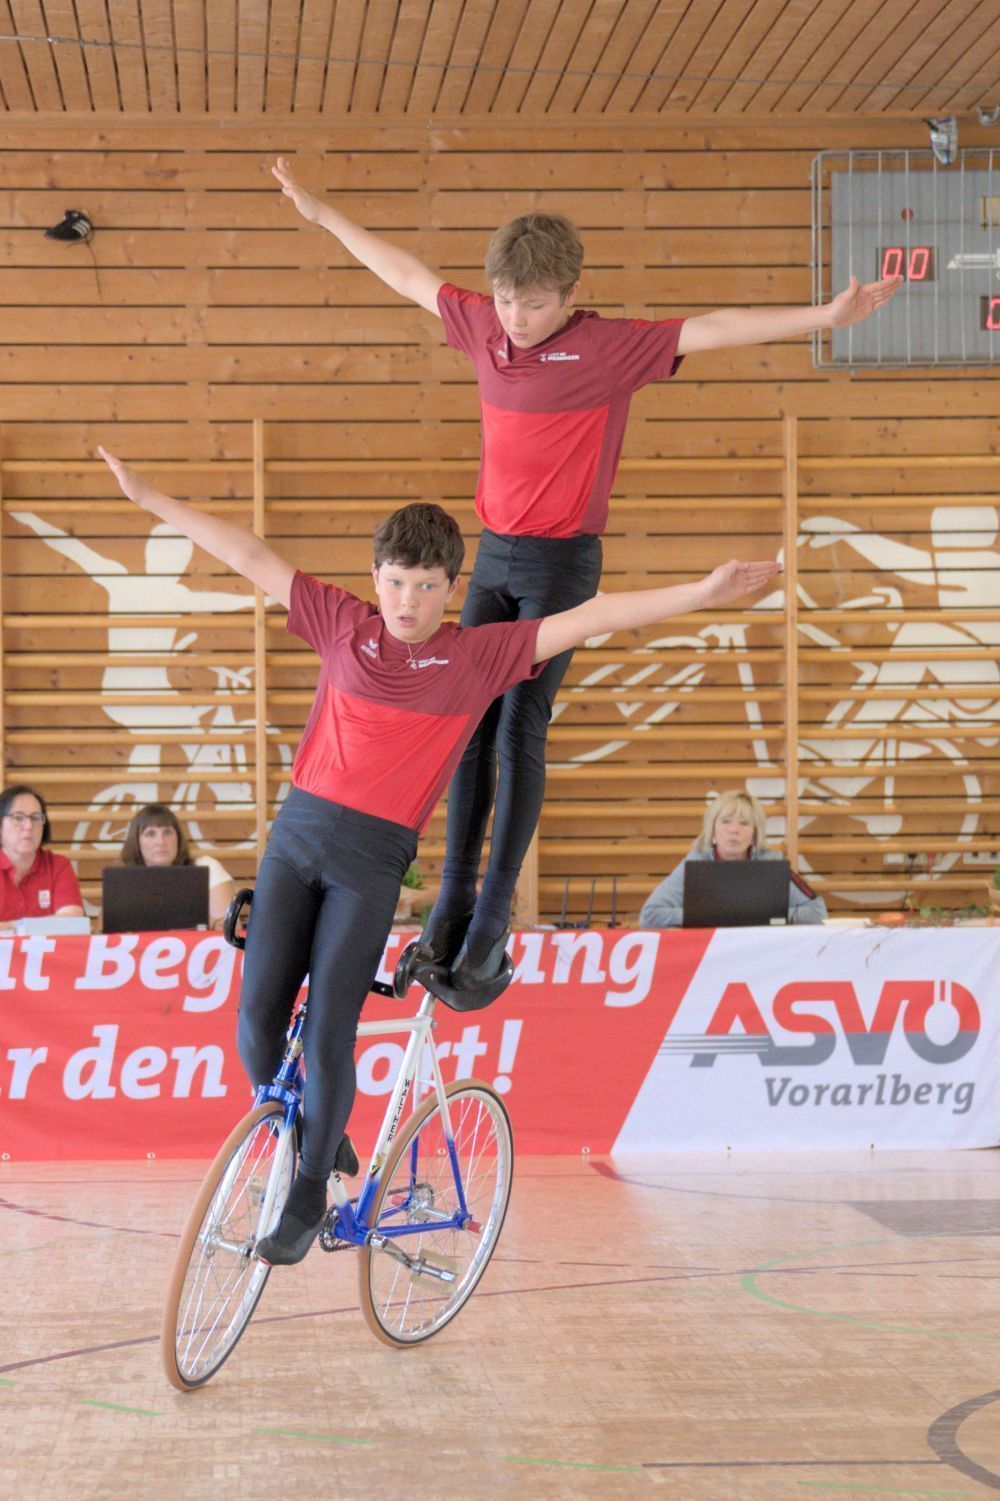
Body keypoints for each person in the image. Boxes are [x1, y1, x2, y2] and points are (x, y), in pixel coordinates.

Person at [98, 443, 778, 1266]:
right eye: (394, 581)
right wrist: (147, 493)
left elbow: (593, 617)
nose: (407, 599)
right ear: (374, 575)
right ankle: (327, 1142)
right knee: (254, 1026)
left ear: (453, 588)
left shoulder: (473, 657)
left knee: (328, 1041)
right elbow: (246, 552)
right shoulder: (343, 624)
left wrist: (704, 592)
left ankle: (309, 1191)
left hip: (370, 865)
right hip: (294, 842)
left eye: (427, 586)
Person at [271, 157, 898, 989]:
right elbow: (405, 271)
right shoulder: (484, 330)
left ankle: (492, 913)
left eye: (533, 302)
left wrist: (825, 313)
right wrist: (321, 215)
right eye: (505, 299)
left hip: (563, 560)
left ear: (569, 293)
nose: (516, 317)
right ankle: (452, 900)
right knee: (467, 722)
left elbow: (714, 326)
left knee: (521, 722)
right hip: (493, 552)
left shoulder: (605, 347)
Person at [639, 790, 827, 928]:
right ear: (712, 831)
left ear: (754, 834)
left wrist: (768, 916)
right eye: (726, 821)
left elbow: (817, 912)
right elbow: (650, 915)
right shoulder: (696, 862)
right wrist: (708, 916)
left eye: (744, 823)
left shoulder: (771, 863)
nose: (734, 829)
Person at [119, 803, 235, 928]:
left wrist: (204, 920)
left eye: (167, 832)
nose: (161, 842)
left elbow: (229, 931)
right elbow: (103, 934)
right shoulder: (124, 880)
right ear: (136, 842)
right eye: (150, 834)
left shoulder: (206, 867)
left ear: (178, 838)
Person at [0, 783, 85, 926]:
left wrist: (11, 926)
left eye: (36, 818)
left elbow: (73, 920)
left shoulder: (58, 865)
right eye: (18, 818)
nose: (28, 826)